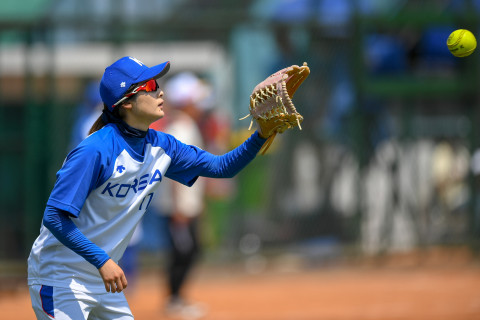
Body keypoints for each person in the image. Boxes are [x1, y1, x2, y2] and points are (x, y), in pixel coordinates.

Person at [27, 56, 268, 320]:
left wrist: (261, 134)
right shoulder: (95, 150)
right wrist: (102, 261)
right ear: (126, 102)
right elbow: (54, 217)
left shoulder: (163, 146)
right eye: (150, 85)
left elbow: (222, 167)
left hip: (103, 280)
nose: (160, 91)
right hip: (61, 277)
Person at [150, 72, 209, 319]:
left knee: (188, 250)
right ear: (186, 103)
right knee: (184, 252)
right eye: (196, 101)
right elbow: (176, 173)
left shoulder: (185, 127)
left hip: (184, 206)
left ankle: (177, 297)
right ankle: (174, 299)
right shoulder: (180, 129)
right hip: (179, 208)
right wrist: (179, 209)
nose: (201, 107)